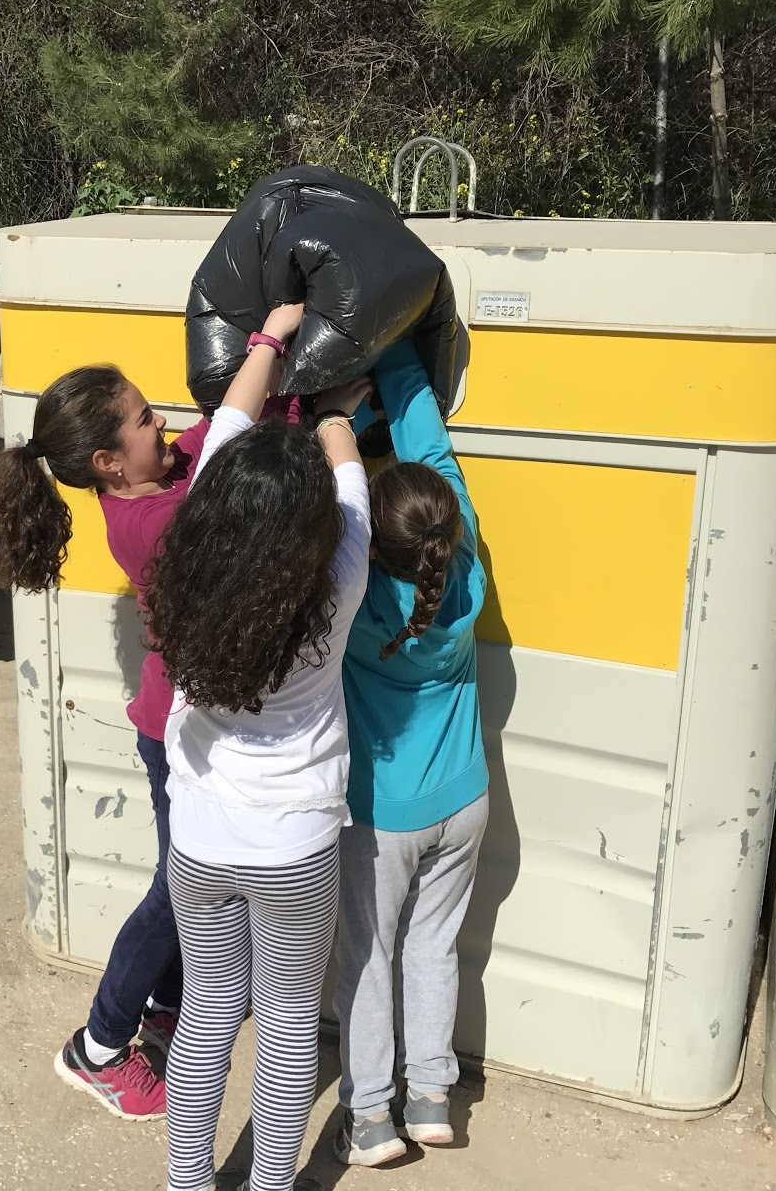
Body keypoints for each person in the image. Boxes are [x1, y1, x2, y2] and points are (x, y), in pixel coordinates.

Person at [0, 329, 301, 1122]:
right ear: (110, 464)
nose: (162, 423)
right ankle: (96, 1046)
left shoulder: (172, 471)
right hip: (174, 735)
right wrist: (270, 339)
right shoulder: (151, 523)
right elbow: (229, 441)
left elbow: (221, 425)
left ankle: (164, 1010)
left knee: (185, 883)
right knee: (175, 891)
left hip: (186, 722)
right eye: (143, 420)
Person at [144, 306, 374, 1191]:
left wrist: (270, 338)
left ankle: (187, 1182)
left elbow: (233, 424)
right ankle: (270, 1184)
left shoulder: (189, 548)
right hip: (294, 843)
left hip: (199, 835)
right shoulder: (343, 571)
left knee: (207, 1011)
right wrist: (335, 413)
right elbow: (349, 476)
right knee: (283, 1025)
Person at [329, 340, 489, 1166]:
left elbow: (321, 493)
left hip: (382, 811)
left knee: (369, 956)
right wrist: (398, 354)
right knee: (433, 947)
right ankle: (431, 1099)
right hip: (465, 800)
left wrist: (340, 417)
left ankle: (371, 1121)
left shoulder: (352, 588)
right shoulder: (464, 566)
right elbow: (431, 445)